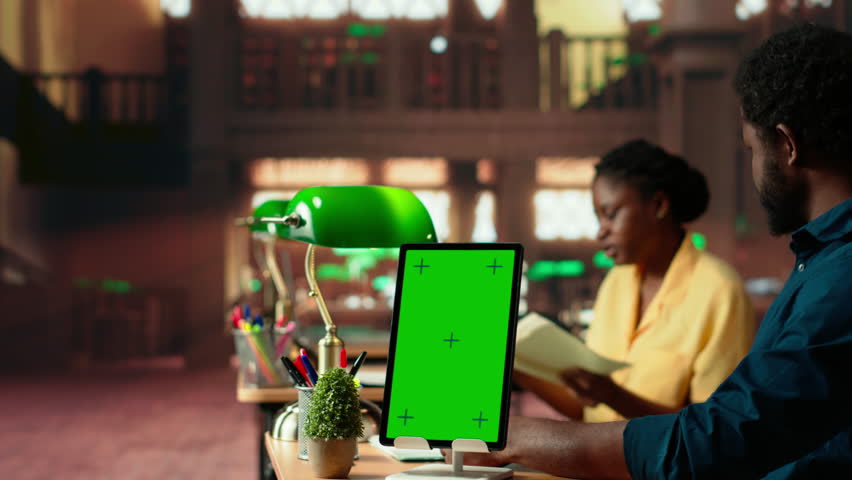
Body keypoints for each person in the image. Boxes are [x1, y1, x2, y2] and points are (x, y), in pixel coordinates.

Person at [462, 23, 852, 479]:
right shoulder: (818, 260)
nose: (751, 168)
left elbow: (720, 436)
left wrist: (521, 438)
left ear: (786, 145)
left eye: (750, 148)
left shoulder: (836, 276)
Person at [515, 139, 755, 423]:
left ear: (658, 205)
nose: (600, 232)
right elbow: (590, 411)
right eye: (598, 217)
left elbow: (712, 428)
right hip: (598, 462)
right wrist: (513, 367)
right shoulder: (617, 281)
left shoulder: (720, 291)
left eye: (611, 215)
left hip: (663, 468)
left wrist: (613, 395)